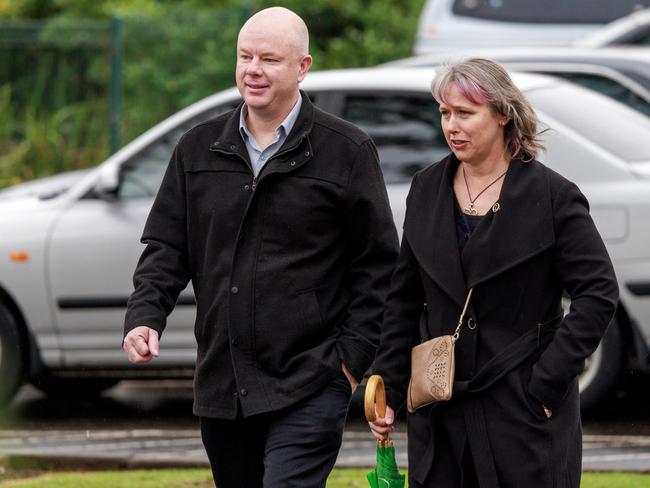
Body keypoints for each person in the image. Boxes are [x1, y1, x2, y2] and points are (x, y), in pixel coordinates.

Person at [122, 7, 399, 487]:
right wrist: (145, 317)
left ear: (302, 67)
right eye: (245, 56)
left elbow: (377, 266)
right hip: (223, 384)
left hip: (311, 381)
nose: (253, 69)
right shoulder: (197, 149)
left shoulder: (347, 150)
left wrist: (349, 365)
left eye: (269, 59)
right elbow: (166, 248)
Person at [368, 58, 618, 488]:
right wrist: (389, 389)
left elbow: (598, 293)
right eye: (444, 112)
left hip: (523, 412)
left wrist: (547, 384)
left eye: (465, 113)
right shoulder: (426, 187)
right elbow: (404, 297)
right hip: (440, 410)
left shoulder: (554, 196)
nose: (451, 125)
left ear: (503, 113)